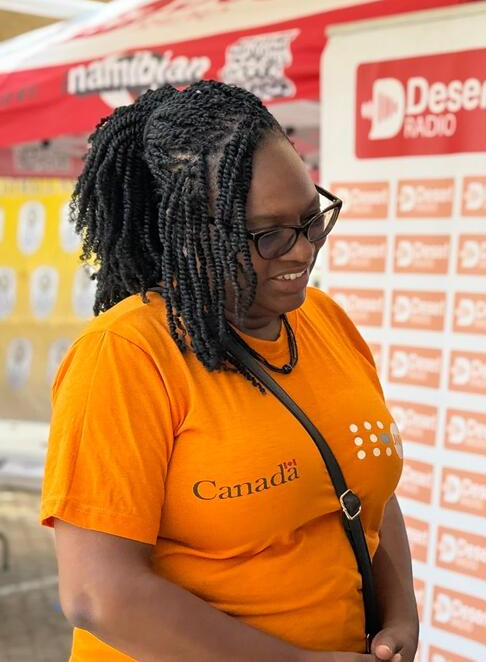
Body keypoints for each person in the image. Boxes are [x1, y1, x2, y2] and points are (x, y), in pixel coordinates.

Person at [40, 81, 419, 662]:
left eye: (311, 220)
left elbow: (364, 485)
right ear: (189, 235)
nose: (301, 251)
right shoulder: (125, 355)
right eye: (269, 235)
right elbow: (100, 594)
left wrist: (401, 616)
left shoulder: (327, 321)